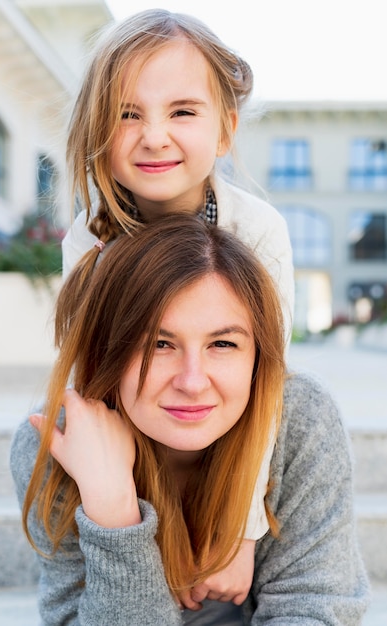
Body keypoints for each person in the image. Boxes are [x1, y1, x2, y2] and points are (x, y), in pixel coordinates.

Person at [10, 215, 369, 625]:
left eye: (222, 343)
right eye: (160, 344)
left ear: (258, 357)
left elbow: (315, 607)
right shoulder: (57, 442)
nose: (193, 382)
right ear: (104, 351)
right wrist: (113, 513)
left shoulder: (301, 418)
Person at [59, 9, 294, 605]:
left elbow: (267, 381)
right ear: (95, 130)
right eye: (126, 114)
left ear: (224, 129)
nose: (154, 135)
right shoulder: (89, 243)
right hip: (142, 460)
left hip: (235, 451)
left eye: (182, 111)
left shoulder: (258, 229)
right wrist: (118, 507)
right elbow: (91, 386)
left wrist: (242, 536)